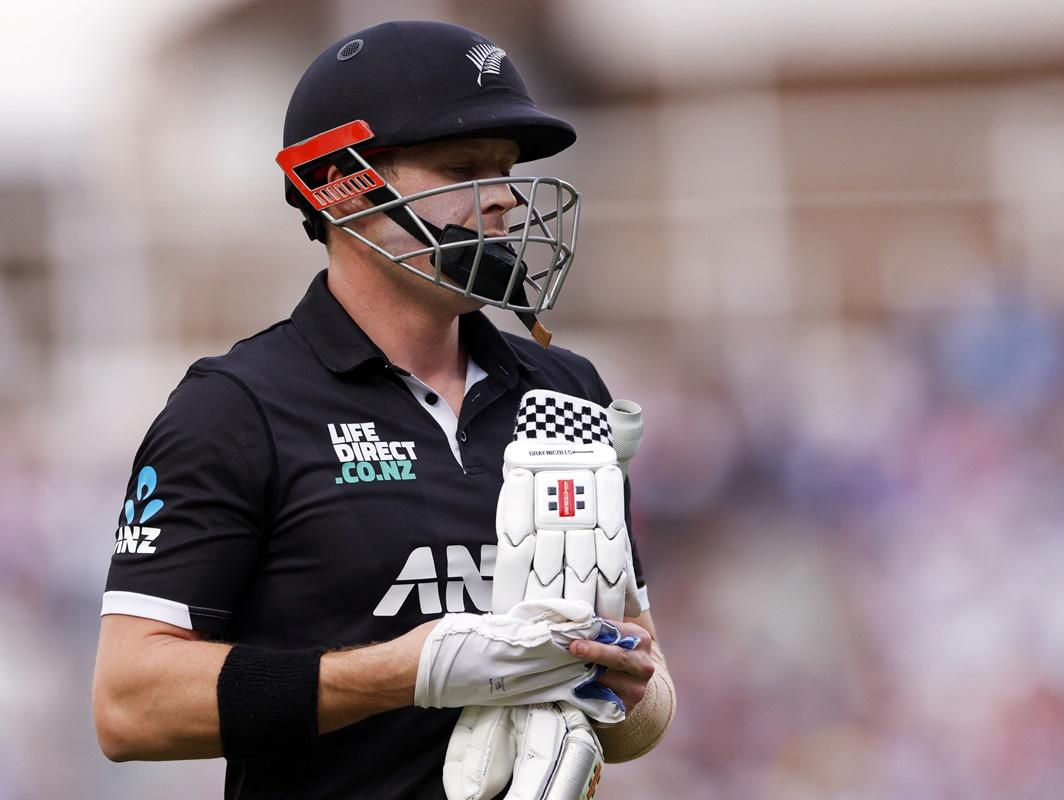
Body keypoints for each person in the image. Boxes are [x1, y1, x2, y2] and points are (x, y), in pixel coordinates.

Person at [92, 20, 674, 800]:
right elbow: (129, 707)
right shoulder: (235, 408)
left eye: (504, 170)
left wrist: (618, 690)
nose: (502, 199)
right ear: (343, 182)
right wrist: (407, 673)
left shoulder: (568, 392)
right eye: (462, 167)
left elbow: (643, 687)